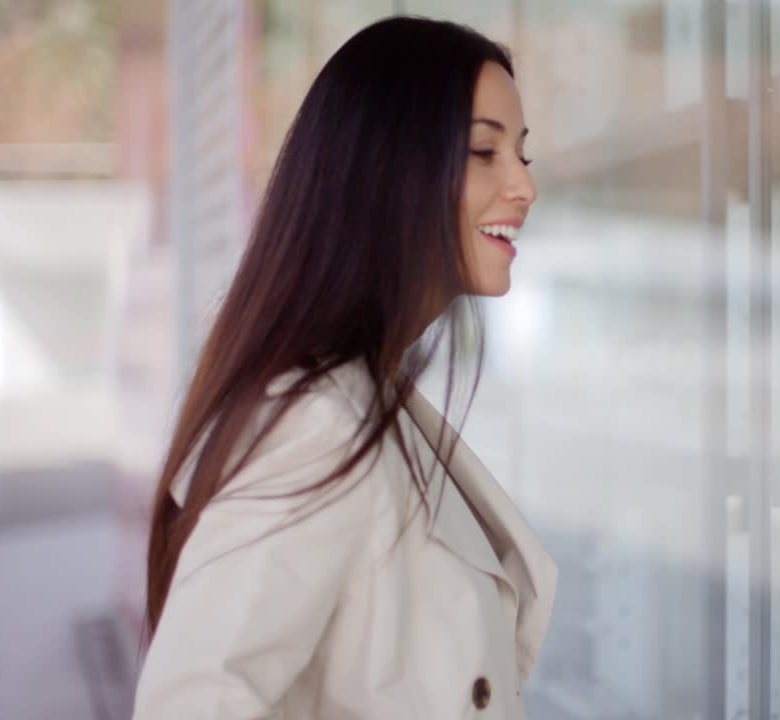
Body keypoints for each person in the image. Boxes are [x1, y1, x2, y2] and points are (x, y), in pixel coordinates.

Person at [132, 16, 556, 719]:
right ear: (387, 171)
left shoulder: (365, 398)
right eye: (485, 151)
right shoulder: (314, 424)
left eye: (522, 154)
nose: (524, 187)